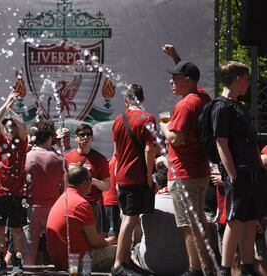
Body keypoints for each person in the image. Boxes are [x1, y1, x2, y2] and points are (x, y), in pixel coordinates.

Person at [210, 61, 266, 276]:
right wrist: (232, 175)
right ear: (237, 79)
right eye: (246, 79)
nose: (249, 84)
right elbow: (220, 143)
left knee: (250, 219)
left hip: (251, 171)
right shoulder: (221, 107)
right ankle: (225, 269)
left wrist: (256, 168)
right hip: (238, 173)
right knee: (235, 220)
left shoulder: (237, 106)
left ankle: (247, 266)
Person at [160, 58, 213, 276]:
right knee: (199, 221)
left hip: (183, 174)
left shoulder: (184, 105)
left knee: (188, 224)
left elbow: (175, 139)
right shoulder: (203, 98)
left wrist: (163, 126)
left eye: (175, 78)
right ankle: (207, 266)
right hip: (200, 172)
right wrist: (176, 58)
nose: (170, 82)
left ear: (188, 80)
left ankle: (195, 269)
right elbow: (195, 78)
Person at [111, 84, 157, 276]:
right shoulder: (148, 119)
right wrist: (148, 177)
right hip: (136, 177)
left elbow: (115, 152)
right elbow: (150, 150)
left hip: (121, 176)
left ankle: (126, 261)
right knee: (130, 220)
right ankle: (118, 265)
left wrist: (115, 178)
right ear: (143, 99)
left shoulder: (117, 120)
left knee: (129, 219)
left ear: (126, 100)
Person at [46, 165, 116, 272]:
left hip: (60, 261)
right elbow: (95, 242)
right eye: (90, 180)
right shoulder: (81, 204)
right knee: (120, 250)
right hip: (78, 262)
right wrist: (110, 242)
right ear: (86, 183)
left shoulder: (62, 198)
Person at [0, 90, 28, 275]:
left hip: (16, 192)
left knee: (16, 228)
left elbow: (23, 125)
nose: (10, 128)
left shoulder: (22, 143)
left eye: (12, 126)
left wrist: (12, 111)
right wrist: (6, 102)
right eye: (7, 127)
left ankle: (18, 264)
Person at [133, 156, 190, 275]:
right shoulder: (187, 206)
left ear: (157, 183)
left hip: (151, 264)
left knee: (135, 247)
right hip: (182, 264)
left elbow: (136, 235)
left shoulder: (146, 204)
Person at [23, 120, 64, 265]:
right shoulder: (58, 159)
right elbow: (63, 185)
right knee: (58, 248)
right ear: (50, 137)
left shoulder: (27, 157)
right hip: (53, 209)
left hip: (31, 209)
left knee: (29, 251)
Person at [64, 124, 110, 235]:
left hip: (91, 205)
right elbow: (63, 182)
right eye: (82, 134)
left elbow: (107, 186)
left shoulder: (100, 159)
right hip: (71, 204)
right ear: (76, 137)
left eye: (88, 134)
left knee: (94, 239)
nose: (85, 137)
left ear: (92, 138)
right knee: (73, 237)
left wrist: (90, 180)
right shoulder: (67, 157)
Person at [102, 154, 121, 241]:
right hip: (114, 200)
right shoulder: (118, 160)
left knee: (108, 230)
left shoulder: (109, 161)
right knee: (114, 233)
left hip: (108, 199)